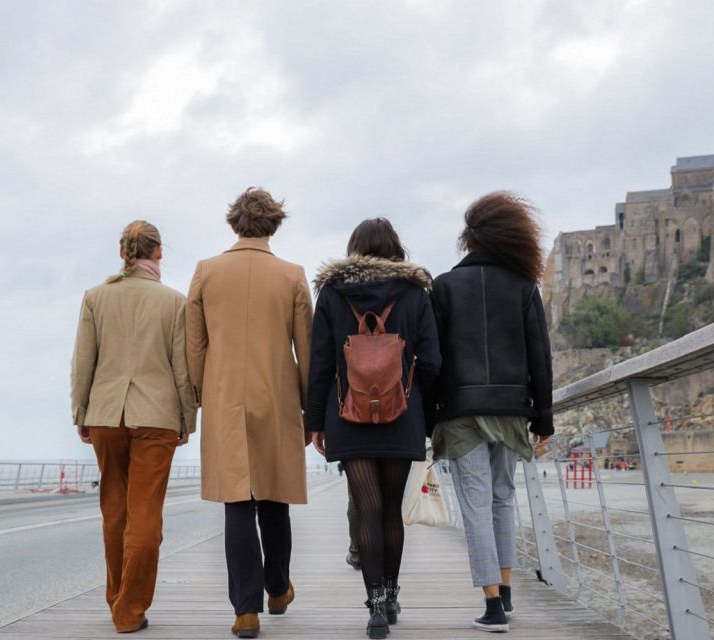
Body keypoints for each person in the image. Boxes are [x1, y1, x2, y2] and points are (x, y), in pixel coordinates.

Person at [186, 188, 313, 639]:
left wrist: (202, 395)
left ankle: (246, 611)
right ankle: (277, 589)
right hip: (277, 397)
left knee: (237, 503)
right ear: (274, 225)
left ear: (233, 224)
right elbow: (307, 348)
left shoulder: (206, 272)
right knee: (274, 498)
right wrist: (309, 409)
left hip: (224, 399)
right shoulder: (293, 275)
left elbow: (194, 346)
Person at [306, 218, 440, 640]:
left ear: (353, 250)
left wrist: (314, 422)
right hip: (402, 416)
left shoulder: (331, 294)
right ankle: (393, 594)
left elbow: (321, 363)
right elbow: (433, 361)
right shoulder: (416, 294)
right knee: (391, 513)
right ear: (396, 249)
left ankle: (376, 608)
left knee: (367, 509)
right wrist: (426, 413)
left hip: (348, 416)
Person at [431, 192, 554, 633]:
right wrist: (544, 419)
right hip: (510, 409)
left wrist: (430, 418)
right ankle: (505, 589)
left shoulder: (443, 286)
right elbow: (540, 357)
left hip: (461, 412)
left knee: (476, 505)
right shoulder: (523, 287)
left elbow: (434, 359)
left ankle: (492, 606)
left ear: (469, 238)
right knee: (503, 499)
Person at [71, 220, 196, 634]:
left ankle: (117, 599)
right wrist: (187, 418)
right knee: (145, 517)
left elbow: (82, 363)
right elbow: (183, 369)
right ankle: (129, 610)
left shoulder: (95, 298)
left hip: (106, 415)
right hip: (157, 418)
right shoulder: (174, 302)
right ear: (157, 252)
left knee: (114, 511)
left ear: (123, 251)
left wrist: (81, 412)